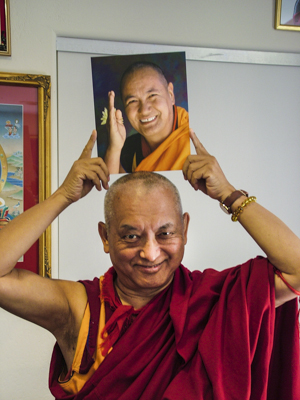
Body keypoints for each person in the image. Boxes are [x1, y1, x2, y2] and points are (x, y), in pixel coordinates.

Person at [0, 130, 300, 400]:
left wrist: (229, 194)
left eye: (165, 233)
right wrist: (62, 196)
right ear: (106, 237)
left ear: (184, 230)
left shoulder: (214, 299)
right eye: (131, 236)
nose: (150, 252)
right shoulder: (79, 308)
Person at [104, 61, 190, 173]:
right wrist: (114, 148)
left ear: (171, 94)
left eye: (152, 95)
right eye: (133, 101)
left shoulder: (193, 140)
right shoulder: (129, 149)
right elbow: (111, 188)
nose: (144, 110)